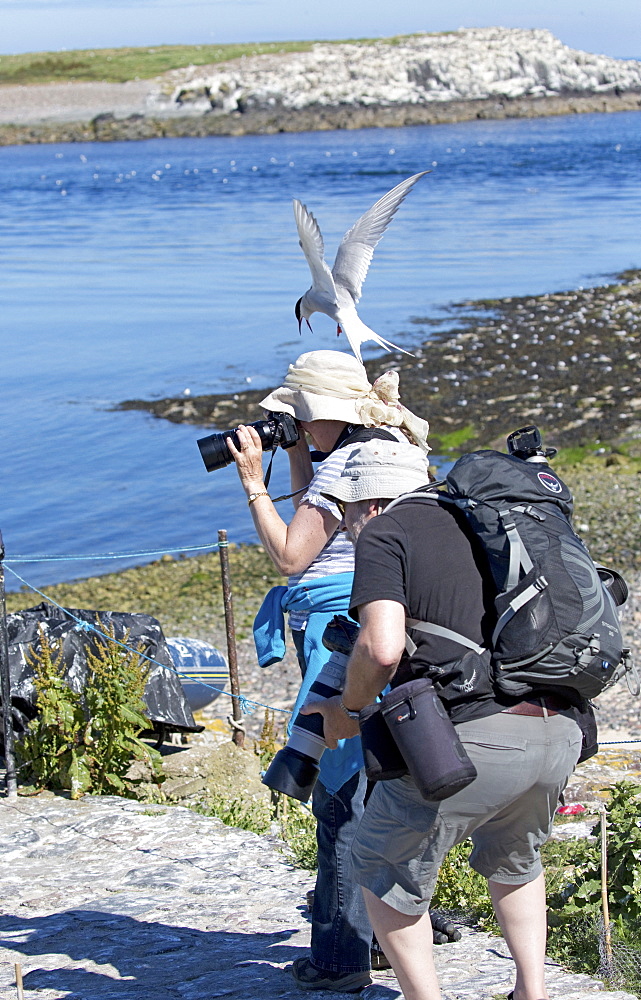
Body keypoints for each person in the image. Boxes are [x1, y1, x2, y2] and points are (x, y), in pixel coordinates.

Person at [305, 437, 583, 1000]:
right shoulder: (488, 523)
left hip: (473, 745)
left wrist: (348, 711)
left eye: (347, 511)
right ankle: (532, 993)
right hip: (558, 729)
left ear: (372, 503)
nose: (345, 525)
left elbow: (380, 649)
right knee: (515, 859)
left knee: (379, 862)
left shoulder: (387, 532)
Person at [227, 350, 430, 992]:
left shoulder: (345, 465)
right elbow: (327, 508)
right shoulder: (391, 449)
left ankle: (341, 953)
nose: (296, 427)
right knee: (390, 778)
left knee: (337, 786)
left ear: (321, 412)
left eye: (298, 416)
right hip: (394, 618)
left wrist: (255, 484)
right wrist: (298, 456)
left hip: (338, 628)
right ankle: (383, 926)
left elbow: (291, 554)